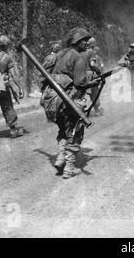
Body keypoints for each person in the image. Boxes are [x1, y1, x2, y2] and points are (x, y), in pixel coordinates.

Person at [40, 28, 99, 179]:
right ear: (76, 42)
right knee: (75, 132)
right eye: (84, 40)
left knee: (63, 130)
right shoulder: (78, 57)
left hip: (53, 99)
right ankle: (69, 168)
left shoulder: (60, 54)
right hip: (69, 100)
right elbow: (80, 82)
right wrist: (93, 82)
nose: (87, 43)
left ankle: (60, 159)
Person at [82, 37, 104, 116]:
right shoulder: (91, 52)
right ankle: (97, 111)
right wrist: (98, 72)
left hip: (80, 75)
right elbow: (92, 64)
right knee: (94, 93)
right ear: (93, 45)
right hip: (90, 75)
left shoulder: (80, 52)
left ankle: (80, 111)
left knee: (81, 94)